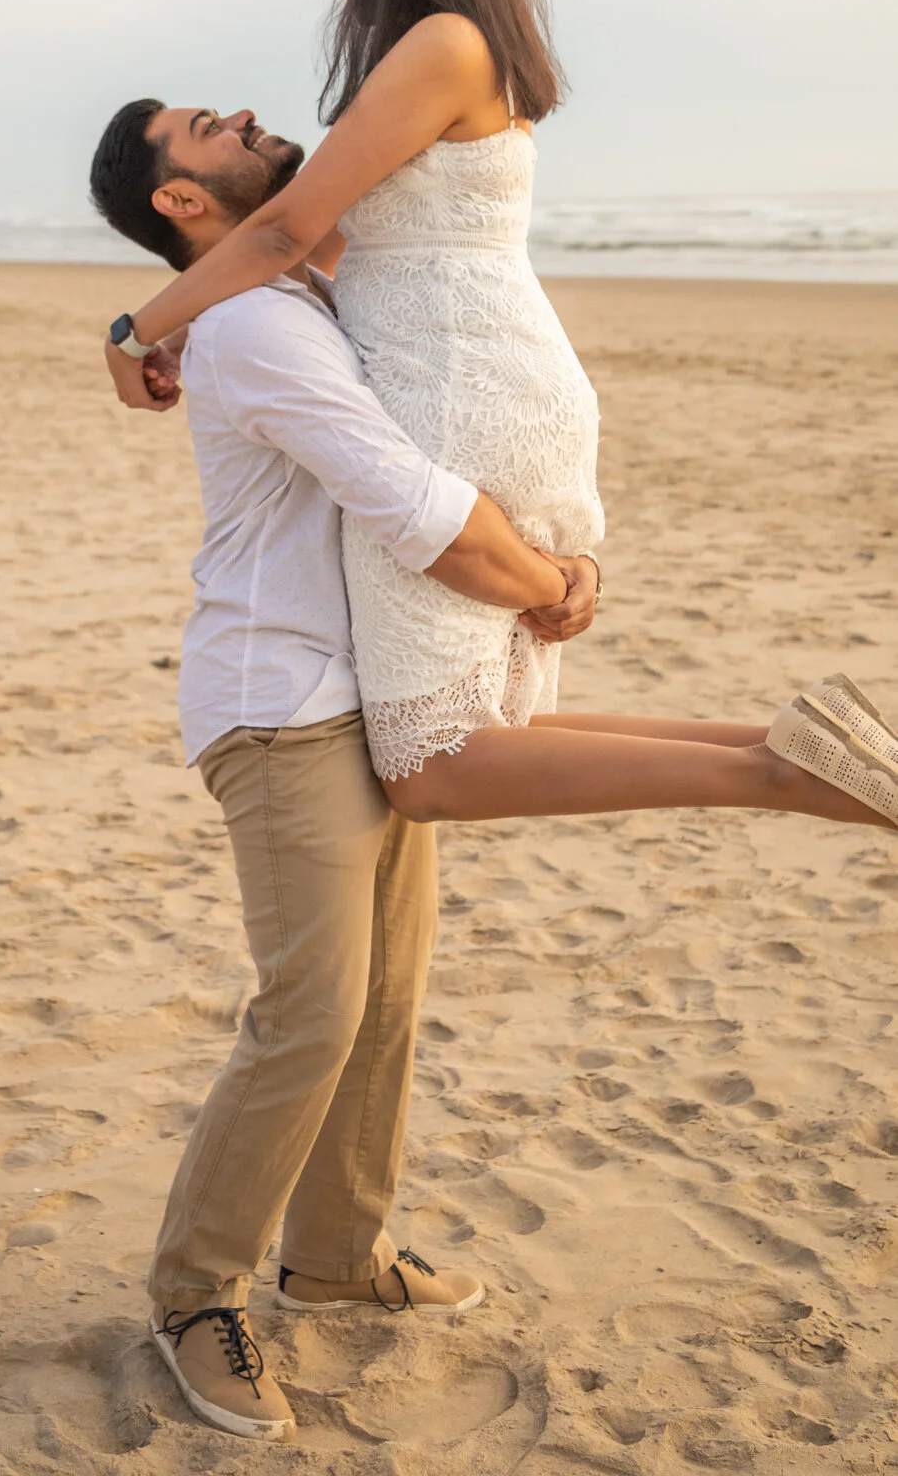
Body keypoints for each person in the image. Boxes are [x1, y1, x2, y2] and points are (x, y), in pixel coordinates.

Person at [88, 96, 898, 1444]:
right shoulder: (252, 328)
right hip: (280, 701)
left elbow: (394, 269)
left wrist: (130, 327)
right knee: (312, 1011)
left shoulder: (281, 296)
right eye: (202, 126)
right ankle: (192, 1293)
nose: (242, 113)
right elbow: (404, 497)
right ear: (180, 200)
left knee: (388, 1001)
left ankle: (338, 1256)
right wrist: (549, 586)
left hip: (367, 686)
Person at [98, 0, 898, 834]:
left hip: (459, 389)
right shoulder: (457, 47)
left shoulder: (440, 45)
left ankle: (780, 774)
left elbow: (285, 232)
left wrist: (133, 333)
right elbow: (348, 250)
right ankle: (788, 744)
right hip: (493, 372)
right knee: (480, 727)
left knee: (437, 765)